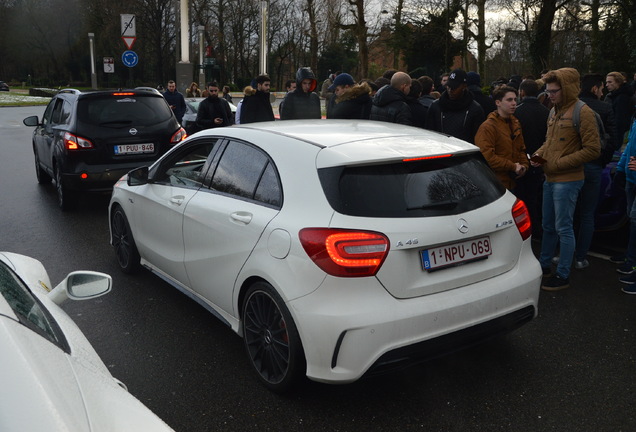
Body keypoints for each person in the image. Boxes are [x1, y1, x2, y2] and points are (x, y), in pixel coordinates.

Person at [530, 68, 600, 291]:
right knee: (548, 225)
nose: (549, 95)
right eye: (548, 90)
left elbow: (593, 150)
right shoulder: (553, 111)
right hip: (550, 178)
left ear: (566, 89)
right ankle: (544, 266)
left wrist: (559, 163)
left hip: (568, 180)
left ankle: (563, 275)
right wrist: (538, 155)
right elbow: (549, 142)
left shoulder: (583, 112)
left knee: (564, 228)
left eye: (554, 91)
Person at [571, 73, 619, 270]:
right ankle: (581, 257)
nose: (603, 91)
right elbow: (613, 141)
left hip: (572, 165)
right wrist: (601, 161)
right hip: (593, 165)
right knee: (587, 214)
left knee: (569, 212)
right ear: (594, 89)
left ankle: (564, 252)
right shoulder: (606, 108)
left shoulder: (571, 107)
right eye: (601, 88)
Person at [514, 78, 550, 236]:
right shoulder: (547, 111)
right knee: (538, 194)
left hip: (523, 158)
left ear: (521, 92)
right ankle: (539, 227)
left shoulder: (517, 111)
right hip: (541, 158)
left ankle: (528, 229)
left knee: (523, 196)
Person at [474, 85, 528, 190]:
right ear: (498, 102)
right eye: (509, 100)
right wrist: (513, 166)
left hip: (513, 181)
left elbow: (521, 148)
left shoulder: (515, 123)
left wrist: (524, 166)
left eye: (515, 99)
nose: (514, 103)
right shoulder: (488, 127)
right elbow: (487, 157)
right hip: (496, 184)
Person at [425, 69, 485, 143]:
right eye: (448, 86)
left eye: (454, 87)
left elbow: (479, 139)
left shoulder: (475, 110)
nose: (450, 90)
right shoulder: (435, 107)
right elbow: (429, 135)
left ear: (464, 86)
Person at [614, 120, 636, 291]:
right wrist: (621, 168)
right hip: (631, 178)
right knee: (632, 220)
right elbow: (630, 146)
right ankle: (631, 259)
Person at [605, 71, 635, 144]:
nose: (607, 85)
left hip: (617, 134)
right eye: (606, 82)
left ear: (618, 82)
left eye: (610, 82)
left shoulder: (622, 98)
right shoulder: (614, 95)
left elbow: (620, 120)